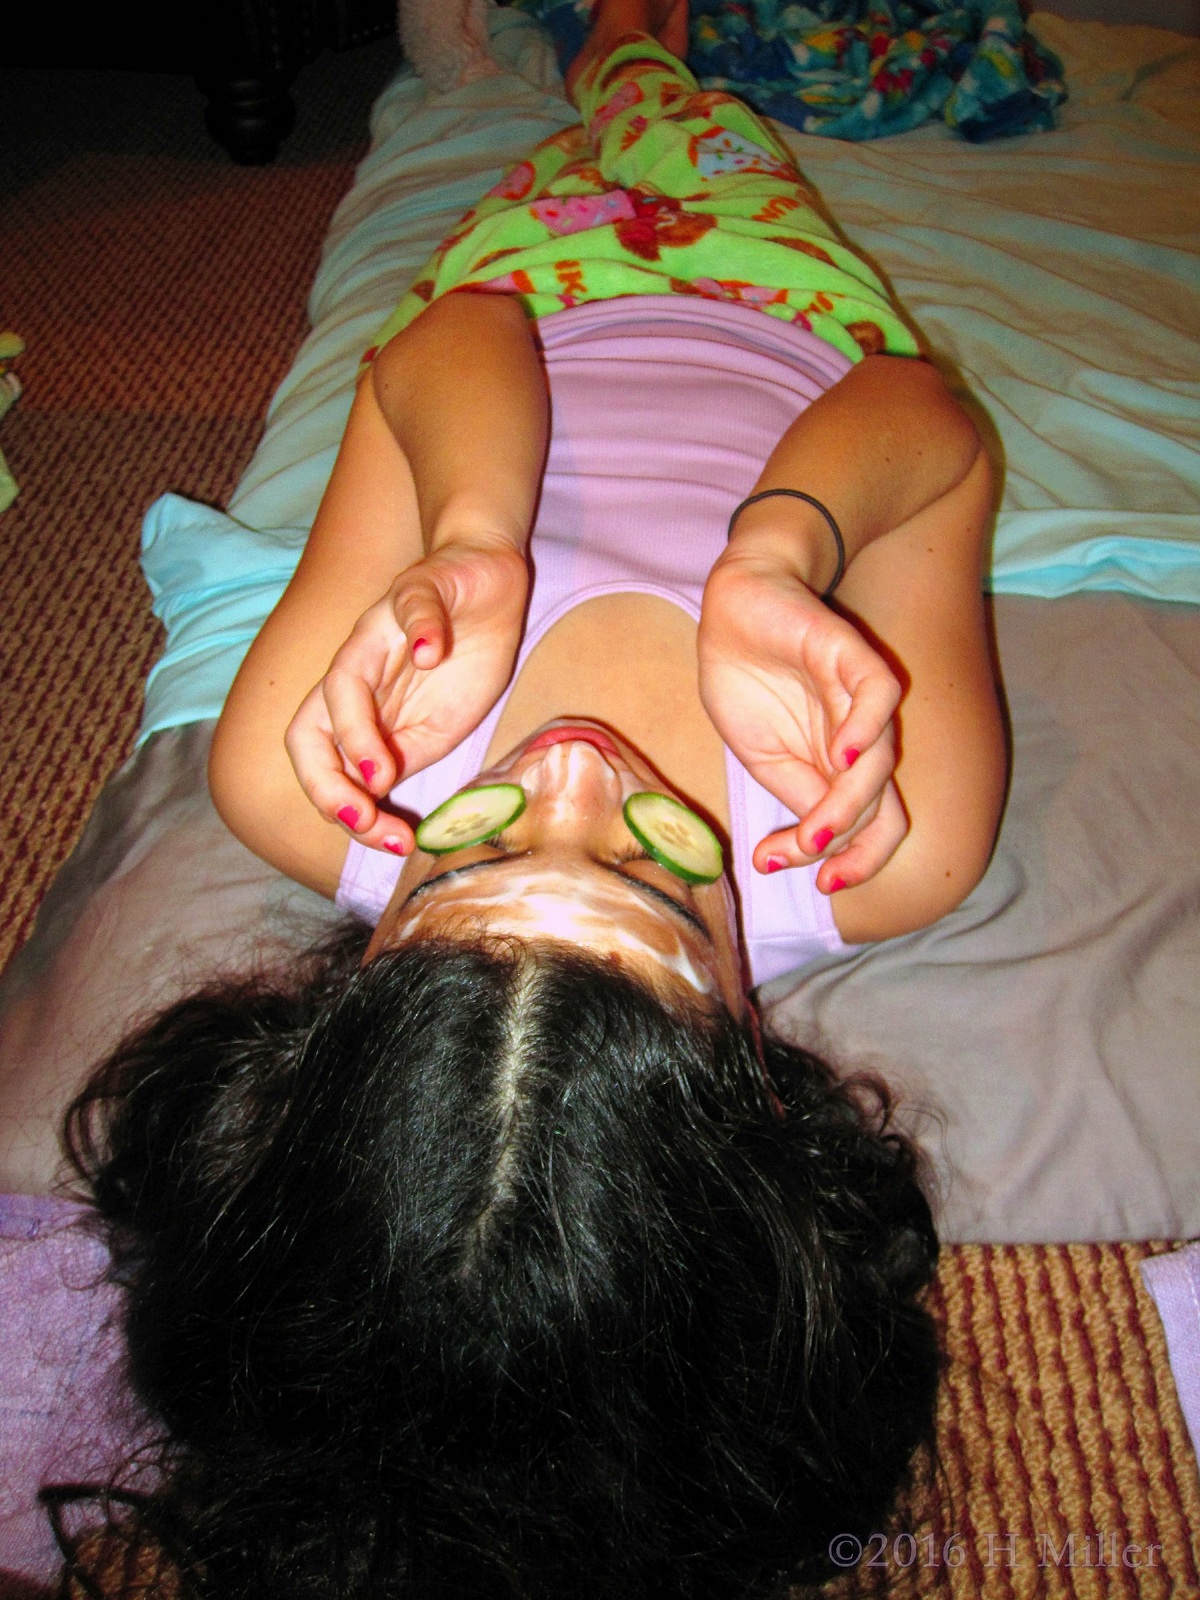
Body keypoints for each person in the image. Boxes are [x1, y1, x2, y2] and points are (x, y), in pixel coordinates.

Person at [62, 1, 1006, 1594]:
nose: (564, 771)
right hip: (791, 310)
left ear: (346, 990)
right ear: (750, 1067)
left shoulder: (309, 771)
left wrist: (470, 545)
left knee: (604, 121)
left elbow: (454, 333)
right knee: (713, 128)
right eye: (652, 867)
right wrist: (781, 553)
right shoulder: (882, 839)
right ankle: (639, 37)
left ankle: (607, 42)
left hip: (546, 284)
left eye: (472, 845)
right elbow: (932, 415)